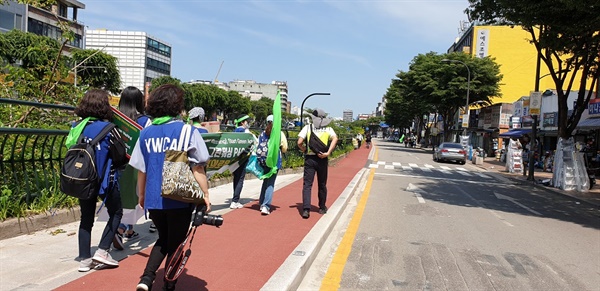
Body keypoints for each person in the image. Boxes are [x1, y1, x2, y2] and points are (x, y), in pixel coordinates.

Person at [129, 84, 211, 291]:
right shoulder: (187, 131)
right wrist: (205, 194)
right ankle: (169, 283)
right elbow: (198, 166)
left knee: (163, 238)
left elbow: (141, 169)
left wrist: (141, 195)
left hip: (153, 197)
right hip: (179, 197)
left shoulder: (146, 133)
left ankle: (146, 279)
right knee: (176, 243)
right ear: (177, 106)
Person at [72, 89, 127, 272]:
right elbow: (120, 156)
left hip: (83, 179)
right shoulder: (109, 129)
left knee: (86, 218)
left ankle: (84, 260)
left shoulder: (77, 126)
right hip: (105, 180)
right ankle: (102, 251)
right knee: (117, 212)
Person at [113, 86, 152, 250]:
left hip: (115, 163)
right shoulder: (144, 121)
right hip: (136, 166)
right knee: (136, 200)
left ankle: (129, 230)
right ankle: (121, 228)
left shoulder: (114, 117)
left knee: (121, 200)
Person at [297, 108, 338, 219]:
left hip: (310, 158)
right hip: (323, 159)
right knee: (322, 184)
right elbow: (335, 139)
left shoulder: (308, 127)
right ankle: (322, 207)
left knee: (307, 184)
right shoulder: (328, 129)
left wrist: (304, 150)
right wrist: (328, 152)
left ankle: (306, 209)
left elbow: (299, 142)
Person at [257, 115, 288, 215]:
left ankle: (261, 202)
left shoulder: (262, 133)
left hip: (263, 161)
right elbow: (284, 148)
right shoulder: (279, 133)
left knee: (265, 181)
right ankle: (266, 206)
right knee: (270, 183)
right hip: (274, 162)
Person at [230, 114, 251, 209]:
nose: (248, 123)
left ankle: (235, 198)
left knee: (236, 178)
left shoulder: (234, 131)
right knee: (240, 179)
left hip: (234, 158)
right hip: (243, 158)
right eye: (246, 121)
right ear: (242, 122)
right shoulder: (245, 131)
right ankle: (235, 201)